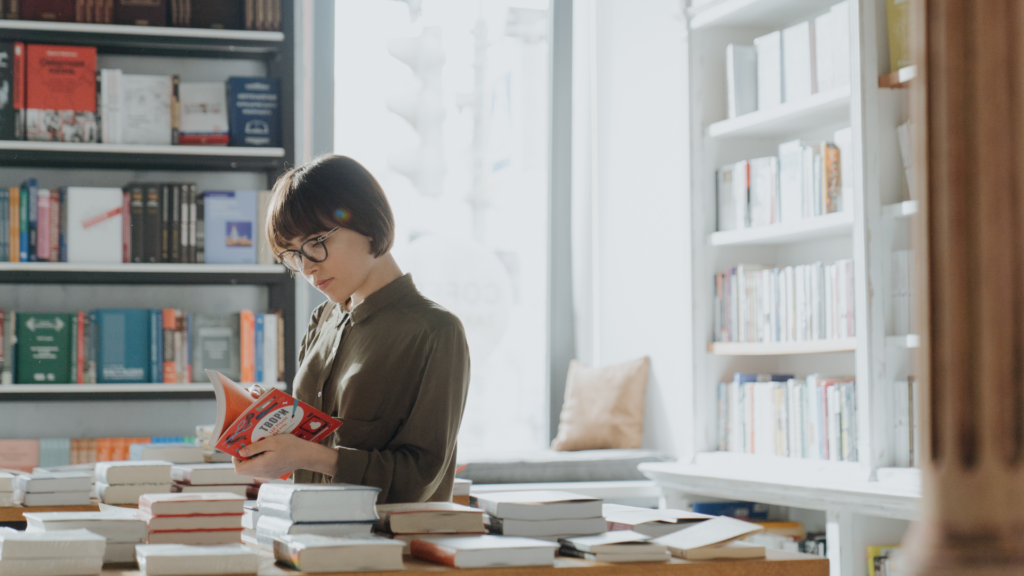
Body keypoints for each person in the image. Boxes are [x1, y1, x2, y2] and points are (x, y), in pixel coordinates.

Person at [233, 155, 471, 503]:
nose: (308, 268)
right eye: (292, 256)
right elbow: (305, 444)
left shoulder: (435, 331)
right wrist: (268, 426)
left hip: (387, 547)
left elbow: (420, 479)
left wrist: (305, 455)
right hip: (307, 534)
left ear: (368, 223)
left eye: (316, 242)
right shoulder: (323, 320)